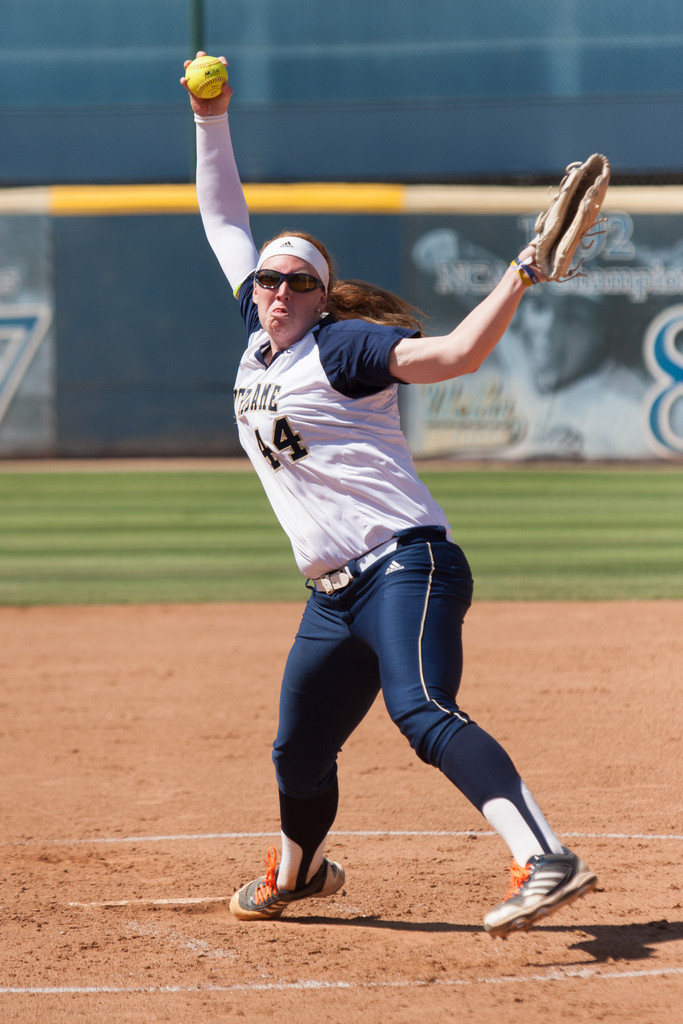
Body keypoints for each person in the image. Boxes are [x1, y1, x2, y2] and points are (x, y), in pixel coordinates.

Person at [181, 53, 598, 938]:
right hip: (333, 597)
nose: (279, 290)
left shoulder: (345, 348)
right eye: (269, 278)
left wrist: (521, 271)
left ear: (323, 296)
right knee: (298, 749)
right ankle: (299, 873)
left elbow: (452, 358)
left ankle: (543, 856)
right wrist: (209, 114)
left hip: (405, 564)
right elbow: (222, 213)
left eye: (298, 281)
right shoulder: (258, 340)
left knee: (422, 710)